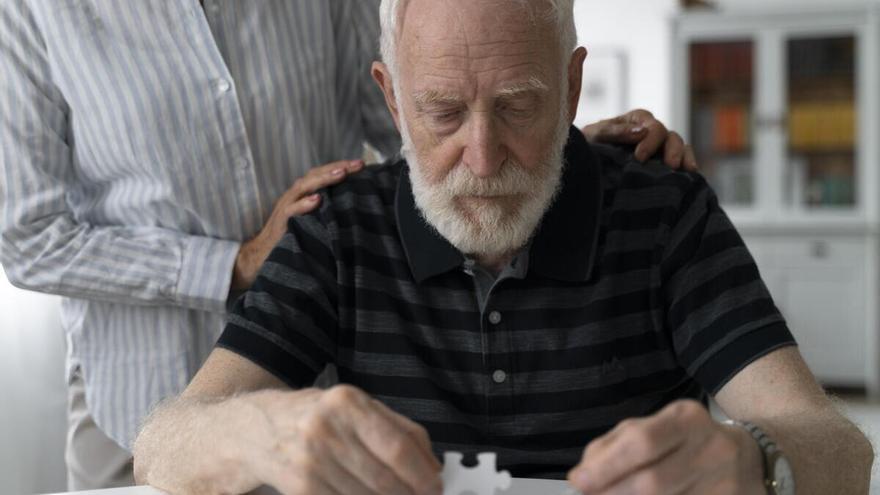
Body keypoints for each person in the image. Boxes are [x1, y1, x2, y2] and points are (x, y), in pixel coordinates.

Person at [132, 0, 873, 494]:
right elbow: (162, 445)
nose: (483, 159)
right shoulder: (337, 229)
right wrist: (263, 429)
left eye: (519, 106)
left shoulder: (665, 211)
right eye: (443, 113)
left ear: (573, 86)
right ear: (392, 98)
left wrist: (756, 460)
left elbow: (843, 447)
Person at [0, 0, 688, 491]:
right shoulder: (33, 12)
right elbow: (27, 236)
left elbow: (417, 118)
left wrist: (540, 158)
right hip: (137, 383)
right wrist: (236, 263)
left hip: (320, 362)